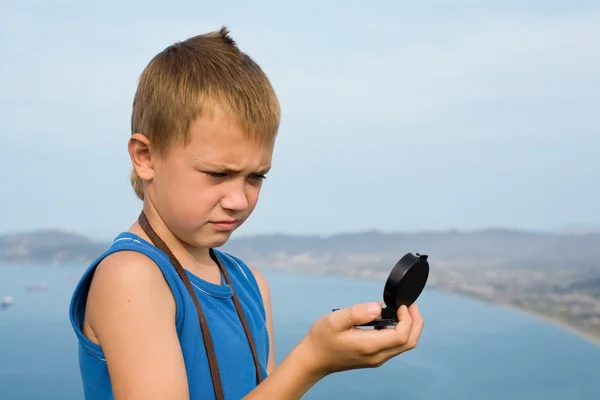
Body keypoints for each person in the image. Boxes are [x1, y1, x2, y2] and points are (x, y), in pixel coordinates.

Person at [68, 26, 424, 400]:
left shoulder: (251, 284)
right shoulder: (132, 277)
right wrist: (311, 361)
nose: (239, 199)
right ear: (146, 157)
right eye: (218, 174)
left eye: (255, 177)